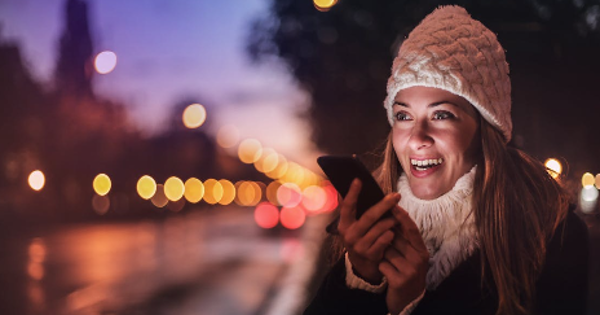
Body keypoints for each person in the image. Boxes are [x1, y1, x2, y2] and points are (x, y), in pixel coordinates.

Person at [304, 5, 589, 315]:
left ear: (484, 129)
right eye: (403, 116)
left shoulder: (552, 237)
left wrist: (412, 303)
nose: (416, 137)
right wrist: (359, 279)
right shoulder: (368, 234)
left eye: (441, 115)